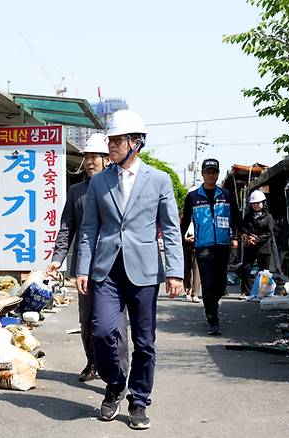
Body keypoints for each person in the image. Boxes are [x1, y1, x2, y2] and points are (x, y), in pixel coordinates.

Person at [76, 110, 184, 430]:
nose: (111, 145)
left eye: (117, 140)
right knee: (102, 331)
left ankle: (138, 400)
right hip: (106, 269)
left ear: (136, 143)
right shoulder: (98, 182)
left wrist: (175, 272)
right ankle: (114, 384)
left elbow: (171, 229)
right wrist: (82, 268)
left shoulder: (159, 180)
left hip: (145, 271)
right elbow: (88, 230)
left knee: (144, 340)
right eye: (109, 139)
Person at [45, 133, 129, 383]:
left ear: (107, 160)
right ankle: (92, 363)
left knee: (115, 323)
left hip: (115, 265)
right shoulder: (76, 192)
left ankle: (118, 371)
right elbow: (66, 227)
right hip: (85, 267)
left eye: (95, 157)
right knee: (87, 320)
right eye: (87, 157)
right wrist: (57, 258)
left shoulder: (118, 187)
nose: (90, 162)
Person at [180, 158, 239, 336]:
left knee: (220, 283)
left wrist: (236, 236)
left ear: (218, 174)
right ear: (202, 174)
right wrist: (180, 238)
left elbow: (236, 217)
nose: (211, 175)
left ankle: (212, 302)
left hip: (222, 245)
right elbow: (185, 221)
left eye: (214, 172)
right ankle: (212, 317)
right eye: (208, 172)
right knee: (207, 282)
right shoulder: (193, 197)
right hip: (203, 246)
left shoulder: (227, 195)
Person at [238, 190, 275, 296]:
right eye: (253, 203)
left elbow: (269, 232)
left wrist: (257, 239)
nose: (256, 205)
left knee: (264, 272)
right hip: (250, 247)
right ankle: (246, 292)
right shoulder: (248, 216)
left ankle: (264, 293)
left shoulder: (268, 217)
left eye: (258, 203)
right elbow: (243, 227)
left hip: (264, 248)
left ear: (263, 203)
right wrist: (244, 234)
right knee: (245, 268)